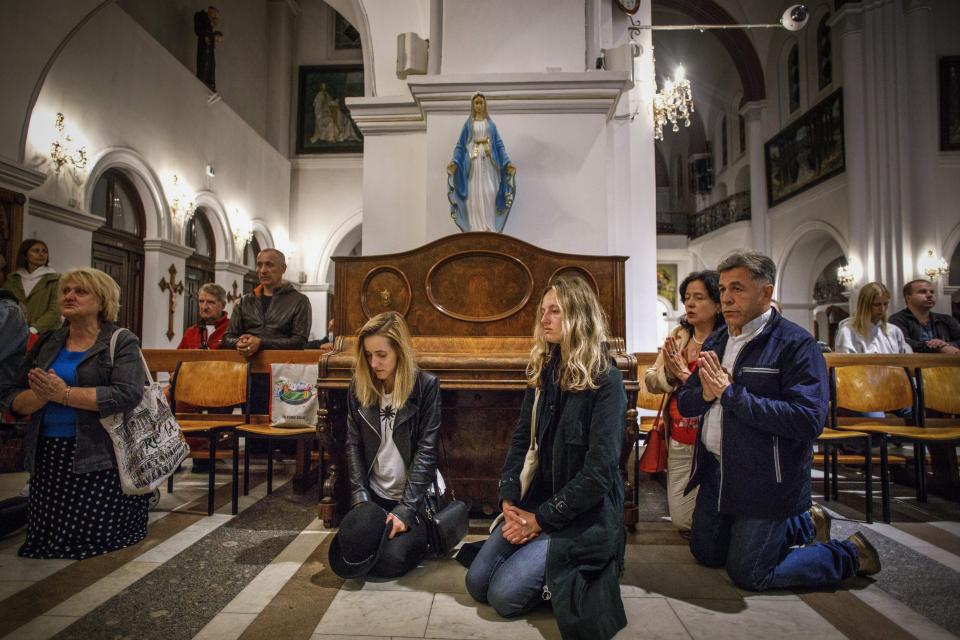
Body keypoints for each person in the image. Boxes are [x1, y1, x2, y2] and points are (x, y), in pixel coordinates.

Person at [677, 251, 880, 592]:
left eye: (737, 288)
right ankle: (801, 525)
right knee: (707, 553)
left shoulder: (796, 345)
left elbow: (807, 420)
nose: (726, 298)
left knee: (750, 573)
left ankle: (849, 554)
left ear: (766, 292)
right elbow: (687, 402)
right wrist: (708, 395)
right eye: (724, 288)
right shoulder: (718, 339)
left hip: (766, 480)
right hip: (718, 473)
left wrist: (730, 395)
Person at [466, 276, 628, 640]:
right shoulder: (546, 368)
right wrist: (509, 497)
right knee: (476, 582)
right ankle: (540, 561)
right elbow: (522, 438)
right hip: (539, 505)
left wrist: (540, 521)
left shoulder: (606, 380)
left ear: (579, 316)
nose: (545, 319)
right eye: (543, 311)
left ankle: (573, 571)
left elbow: (599, 473)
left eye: (555, 311)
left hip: (583, 517)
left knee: (504, 596)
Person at [1, 268, 149, 559]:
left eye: (80, 291)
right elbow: (10, 396)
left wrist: (64, 395)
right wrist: (40, 397)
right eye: (66, 290)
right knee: (45, 543)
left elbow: (127, 393)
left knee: (92, 539)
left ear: (102, 299)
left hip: (100, 453)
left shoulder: (120, 341)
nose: (69, 296)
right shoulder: (47, 342)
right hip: (49, 452)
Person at [335, 311, 439, 578]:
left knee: (389, 562)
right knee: (357, 555)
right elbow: (353, 446)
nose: (374, 363)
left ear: (399, 351)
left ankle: (418, 534)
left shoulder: (425, 386)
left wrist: (405, 510)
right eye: (368, 355)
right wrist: (361, 504)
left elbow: (427, 452)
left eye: (381, 354)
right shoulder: (359, 387)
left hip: (414, 499)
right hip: (376, 498)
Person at [644, 270, 724, 534]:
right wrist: (669, 373)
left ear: (717, 303)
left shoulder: (728, 340)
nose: (689, 303)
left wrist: (684, 375)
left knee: (715, 510)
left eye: (699, 297)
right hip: (680, 434)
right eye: (687, 297)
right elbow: (652, 381)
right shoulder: (680, 336)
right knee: (681, 519)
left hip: (714, 439)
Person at [222, 248, 311, 413]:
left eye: (269, 265)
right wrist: (241, 343)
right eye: (259, 265)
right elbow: (227, 337)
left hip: (285, 377)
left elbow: (299, 341)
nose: (263, 270)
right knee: (252, 431)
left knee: (283, 434)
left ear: (283, 268)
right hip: (250, 376)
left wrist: (261, 343)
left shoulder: (299, 301)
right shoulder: (245, 302)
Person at [447, 93, 516, 233]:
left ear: (485, 105)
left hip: (489, 163)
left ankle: (490, 225)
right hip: (473, 165)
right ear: (472, 105)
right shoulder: (468, 125)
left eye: (481, 103)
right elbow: (460, 145)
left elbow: (499, 145)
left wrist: (507, 162)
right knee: (474, 193)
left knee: (490, 191)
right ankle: (475, 226)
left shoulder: (491, 125)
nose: (479, 106)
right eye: (476, 103)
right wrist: (455, 162)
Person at [3, 239, 61, 334]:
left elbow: (56, 309)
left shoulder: (55, 279)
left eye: (44, 251)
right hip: (13, 333)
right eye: (36, 251)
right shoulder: (13, 279)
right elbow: (4, 306)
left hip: (44, 334)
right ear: (25, 255)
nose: (41, 254)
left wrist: (34, 329)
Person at [835, 282, 911, 354]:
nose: (882, 308)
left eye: (885, 304)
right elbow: (845, 363)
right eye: (877, 304)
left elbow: (907, 359)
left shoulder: (894, 331)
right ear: (864, 305)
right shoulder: (848, 332)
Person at [889, 279, 960, 354]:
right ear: (908, 297)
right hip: (914, 363)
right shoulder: (897, 319)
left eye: (932, 292)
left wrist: (945, 344)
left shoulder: (946, 319)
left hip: (946, 363)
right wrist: (936, 347)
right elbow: (904, 343)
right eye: (922, 292)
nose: (929, 295)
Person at [178, 283, 229, 350]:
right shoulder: (191, 332)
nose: (204, 307)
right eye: (201, 301)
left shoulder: (233, 331)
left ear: (223, 305)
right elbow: (177, 358)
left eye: (210, 302)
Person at [194, 5, 222, 91]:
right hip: (205, 45)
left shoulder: (210, 25)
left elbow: (213, 34)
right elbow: (198, 29)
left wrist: (217, 35)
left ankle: (211, 84)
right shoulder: (201, 16)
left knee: (211, 64)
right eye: (214, 15)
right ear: (210, 12)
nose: (215, 18)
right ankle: (203, 80)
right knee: (204, 61)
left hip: (209, 47)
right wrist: (206, 35)